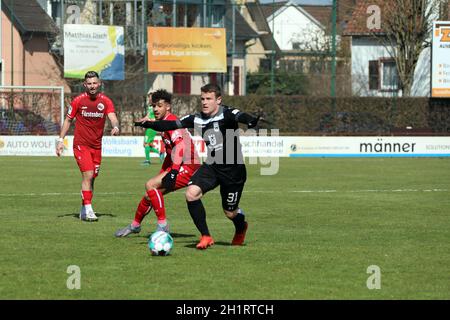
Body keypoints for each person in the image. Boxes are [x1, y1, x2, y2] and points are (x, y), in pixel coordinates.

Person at [135, 84, 259, 249]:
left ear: (218, 100)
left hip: (233, 170)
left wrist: (250, 121)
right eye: (202, 99)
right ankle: (206, 236)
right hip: (212, 166)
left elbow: (242, 116)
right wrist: (148, 124)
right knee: (191, 194)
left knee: (230, 212)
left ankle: (241, 226)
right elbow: (169, 125)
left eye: (209, 99)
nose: (205, 102)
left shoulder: (227, 113)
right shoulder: (197, 118)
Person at [115, 89, 201, 237]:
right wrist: (164, 171)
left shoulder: (171, 122)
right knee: (150, 195)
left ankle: (163, 225)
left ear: (168, 107)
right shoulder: (163, 122)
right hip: (178, 164)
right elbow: (171, 151)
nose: (155, 109)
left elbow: (180, 147)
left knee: (150, 185)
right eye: (154, 106)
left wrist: (173, 172)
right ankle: (135, 225)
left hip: (188, 165)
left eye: (159, 106)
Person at [56, 71, 120, 222]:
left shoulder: (105, 101)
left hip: (96, 146)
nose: (92, 86)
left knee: (91, 179)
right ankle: (90, 210)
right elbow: (68, 120)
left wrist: (116, 127)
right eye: (89, 84)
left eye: (94, 83)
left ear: (99, 84)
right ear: (85, 85)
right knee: (88, 174)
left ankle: (83, 209)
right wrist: (60, 140)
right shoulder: (78, 101)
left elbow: (113, 118)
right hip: (81, 145)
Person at [142, 94, 162, 165]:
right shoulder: (150, 107)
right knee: (146, 144)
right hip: (149, 127)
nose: (149, 99)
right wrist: (142, 120)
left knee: (146, 144)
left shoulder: (156, 107)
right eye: (149, 98)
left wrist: (150, 120)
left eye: (150, 98)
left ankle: (147, 161)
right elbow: (147, 116)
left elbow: (157, 118)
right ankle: (160, 153)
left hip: (152, 127)